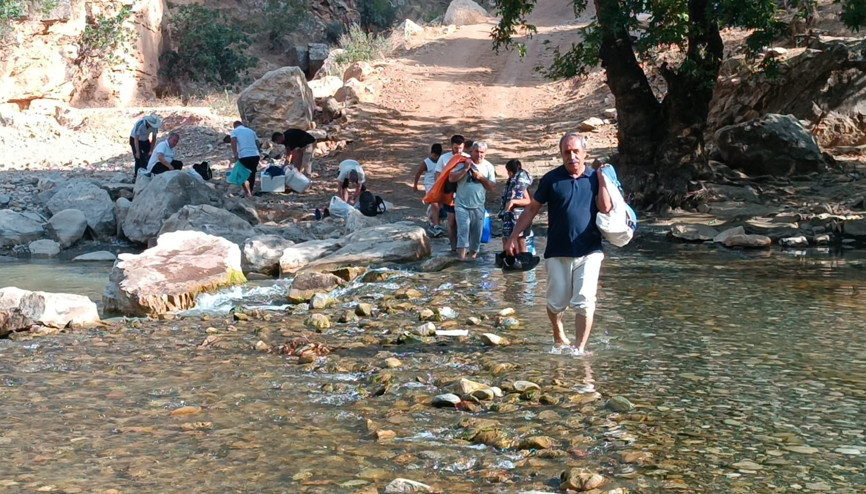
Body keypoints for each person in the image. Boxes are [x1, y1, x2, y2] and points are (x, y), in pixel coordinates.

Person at [505, 132, 612, 354]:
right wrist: (514, 236)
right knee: (556, 302)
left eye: (576, 152)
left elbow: (605, 208)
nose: (571, 156)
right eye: (567, 152)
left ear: (585, 154)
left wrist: (602, 180)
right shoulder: (551, 179)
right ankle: (558, 330)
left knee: (584, 300)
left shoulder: (595, 178)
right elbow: (532, 208)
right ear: (561, 154)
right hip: (557, 250)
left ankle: (579, 350)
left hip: (589, 250)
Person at [448, 141, 496, 260]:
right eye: (476, 151)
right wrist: (465, 169)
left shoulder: (488, 166)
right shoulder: (462, 162)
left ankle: (472, 261)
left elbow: (492, 187)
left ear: (485, 153)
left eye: (482, 152)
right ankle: (461, 260)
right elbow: (451, 178)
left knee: (476, 235)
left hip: (478, 205)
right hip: (461, 205)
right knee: (462, 232)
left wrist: (481, 178)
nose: (479, 154)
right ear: (471, 151)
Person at [433, 135, 469, 251]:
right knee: (452, 221)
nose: (458, 151)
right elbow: (437, 176)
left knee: (463, 222)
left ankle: (463, 247)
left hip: (464, 194)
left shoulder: (467, 158)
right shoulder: (444, 158)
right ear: (451, 146)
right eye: (456, 148)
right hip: (449, 194)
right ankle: (454, 248)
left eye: (460, 148)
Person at [497, 159, 534, 265]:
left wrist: (514, 201)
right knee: (506, 238)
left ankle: (524, 260)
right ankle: (510, 259)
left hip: (520, 217)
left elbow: (528, 201)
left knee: (521, 239)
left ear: (510, 172)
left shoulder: (520, 185)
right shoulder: (511, 184)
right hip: (509, 217)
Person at [413, 143, 443, 236]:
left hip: (438, 185)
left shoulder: (441, 161)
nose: (436, 157)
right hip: (430, 186)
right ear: (431, 153)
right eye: (434, 155)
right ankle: (436, 225)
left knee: (440, 205)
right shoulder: (426, 162)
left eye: (438, 156)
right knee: (435, 204)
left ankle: (431, 218)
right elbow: (418, 173)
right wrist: (415, 185)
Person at [231, 121, 260, 199]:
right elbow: (257, 142)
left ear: (235, 126)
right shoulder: (251, 131)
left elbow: (233, 141)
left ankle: (248, 193)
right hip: (255, 155)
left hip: (244, 155)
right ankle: (250, 190)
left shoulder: (235, 131)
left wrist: (235, 154)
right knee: (252, 173)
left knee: (242, 174)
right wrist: (258, 152)